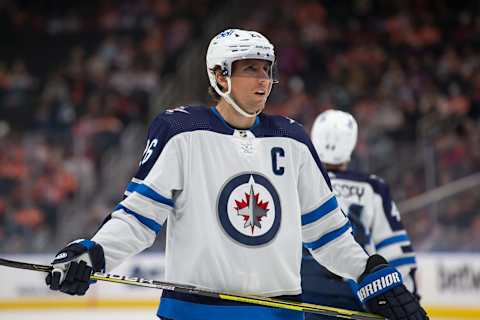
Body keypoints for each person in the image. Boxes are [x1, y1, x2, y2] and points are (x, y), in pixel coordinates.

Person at [45, 29, 427, 320]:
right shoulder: (180, 132)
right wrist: (94, 254)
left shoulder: (292, 139)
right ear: (220, 76)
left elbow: (327, 233)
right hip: (194, 313)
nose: (263, 80)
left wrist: (368, 271)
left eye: (266, 70)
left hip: (279, 313)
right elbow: (139, 216)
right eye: (250, 69)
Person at [302, 109, 420, 319]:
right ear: (352, 143)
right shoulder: (372, 188)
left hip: (300, 293)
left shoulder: (295, 180)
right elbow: (396, 252)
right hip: (354, 296)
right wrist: (409, 297)